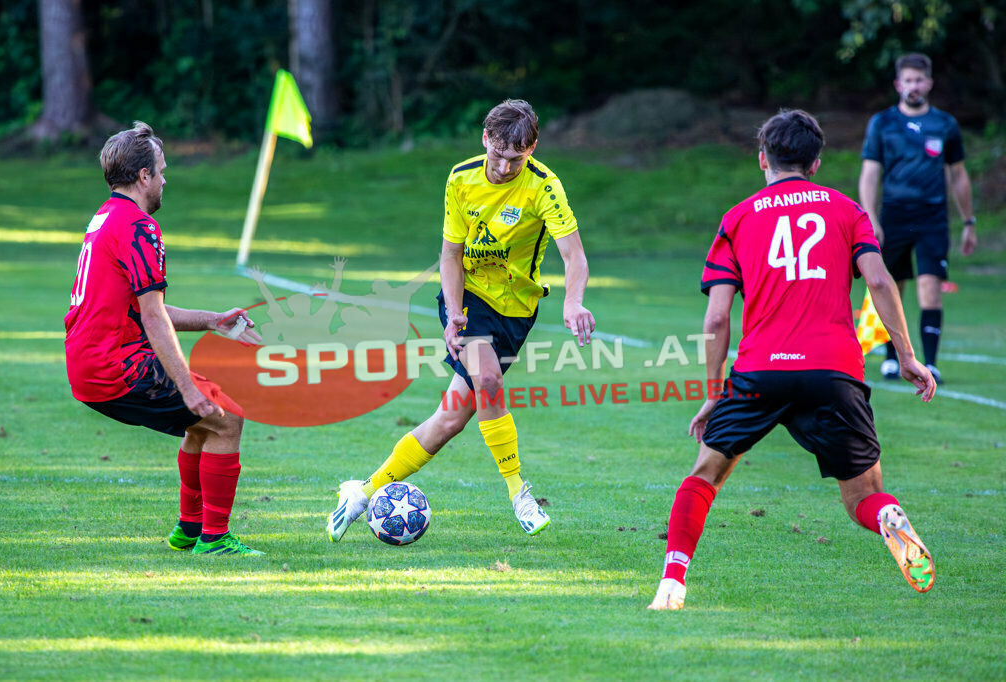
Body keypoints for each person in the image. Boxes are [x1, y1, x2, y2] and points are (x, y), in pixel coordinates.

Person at [648, 110, 938, 611]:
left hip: (761, 371)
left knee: (705, 476)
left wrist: (714, 394)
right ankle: (888, 515)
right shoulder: (847, 211)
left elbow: (717, 320)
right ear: (817, 162)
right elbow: (881, 282)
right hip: (834, 371)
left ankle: (672, 582)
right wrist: (908, 356)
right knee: (863, 497)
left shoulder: (738, 218)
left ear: (763, 158)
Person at [327, 99, 596, 541]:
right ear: (485, 139)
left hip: (517, 310)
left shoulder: (545, 187)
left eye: (518, 158)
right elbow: (450, 254)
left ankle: (362, 492)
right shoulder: (461, 178)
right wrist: (454, 315)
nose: (507, 168)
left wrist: (573, 302)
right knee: (489, 381)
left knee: (451, 418)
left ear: (532, 149)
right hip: (467, 299)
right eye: (500, 156)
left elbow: (574, 255)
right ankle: (519, 494)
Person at [65, 121, 264, 556]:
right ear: (143, 177)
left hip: (89, 362)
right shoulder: (139, 227)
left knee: (203, 424)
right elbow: (153, 318)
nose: (164, 179)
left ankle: (190, 530)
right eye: (161, 169)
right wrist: (188, 388)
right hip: (114, 364)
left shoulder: (104, 218)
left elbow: (138, 308)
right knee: (225, 418)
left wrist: (213, 320)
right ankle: (215, 538)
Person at [858, 52, 977, 384]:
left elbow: (958, 175)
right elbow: (870, 174)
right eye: (907, 80)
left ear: (929, 83)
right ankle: (892, 358)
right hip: (893, 216)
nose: (914, 86)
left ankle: (932, 361)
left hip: (932, 218)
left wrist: (969, 221)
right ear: (898, 84)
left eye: (919, 80)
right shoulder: (882, 123)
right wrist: (870, 218)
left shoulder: (945, 125)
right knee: (890, 286)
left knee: (930, 288)